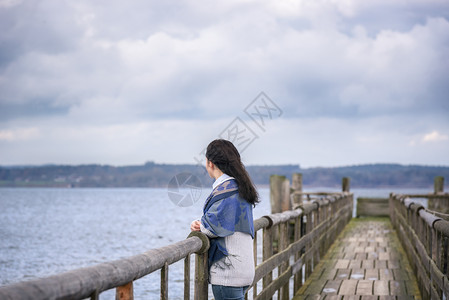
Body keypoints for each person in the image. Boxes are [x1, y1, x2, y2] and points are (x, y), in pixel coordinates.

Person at [190, 139, 259, 300]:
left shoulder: (226, 190)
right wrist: (203, 224)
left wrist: (201, 225)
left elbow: (213, 226)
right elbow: (226, 219)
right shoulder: (242, 187)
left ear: (210, 163)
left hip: (228, 272)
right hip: (245, 269)